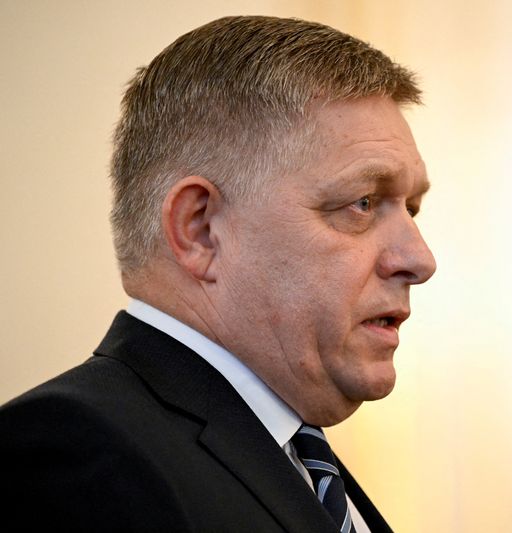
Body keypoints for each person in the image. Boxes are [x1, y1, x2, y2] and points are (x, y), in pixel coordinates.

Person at [0, 15, 436, 532]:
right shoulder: (74, 454)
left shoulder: (293, 457)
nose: (419, 259)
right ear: (201, 230)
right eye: (362, 202)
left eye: (411, 207)